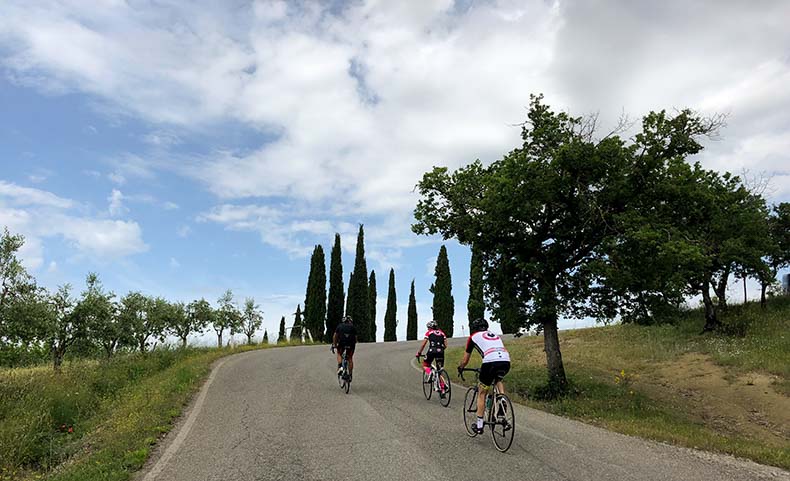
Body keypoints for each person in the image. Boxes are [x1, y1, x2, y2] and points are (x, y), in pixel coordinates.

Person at [457, 318, 511, 434]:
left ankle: (479, 426)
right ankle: (501, 399)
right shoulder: (495, 335)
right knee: (498, 379)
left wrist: (461, 367)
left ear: (474, 328)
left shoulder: (473, 337)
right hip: (506, 361)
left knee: (482, 393)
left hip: (490, 362)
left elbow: (466, 359)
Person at [332, 315, 357, 381]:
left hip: (342, 344)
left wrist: (334, 344)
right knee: (350, 358)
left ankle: (340, 367)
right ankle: (350, 374)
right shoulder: (353, 327)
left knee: (339, 354)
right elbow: (355, 338)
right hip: (351, 345)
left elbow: (335, 336)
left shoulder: (340, 326)